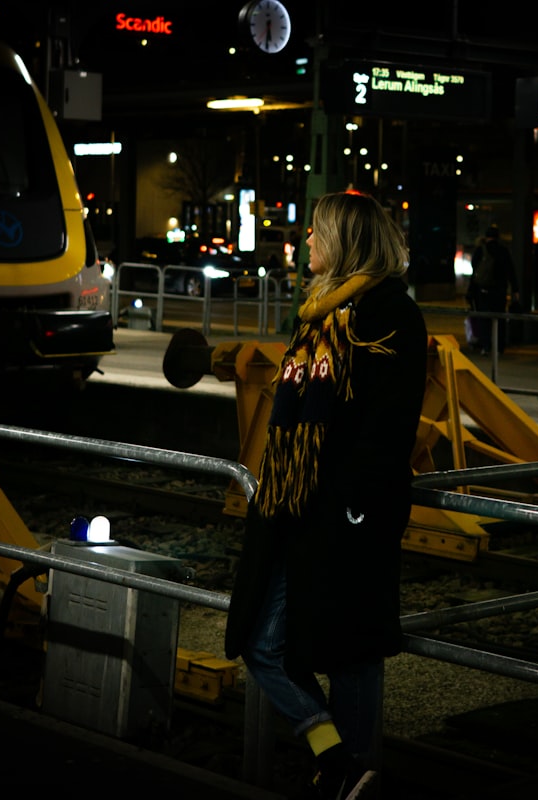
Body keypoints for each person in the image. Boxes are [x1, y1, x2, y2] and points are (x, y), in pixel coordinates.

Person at [223, 191, 428, 799]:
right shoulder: (318, 312)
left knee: (350, 648)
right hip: (297, 507)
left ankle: (356, 773)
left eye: (316, 232)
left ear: (345, 240)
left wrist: (351, 504)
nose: (306, 241)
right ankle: (335, 752)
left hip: (346, 514)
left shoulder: (389, 312)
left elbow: (388, 425)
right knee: (262, 644)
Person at [467, 223, 519, 354]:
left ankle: (486, 346)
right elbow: (511, 271)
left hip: (483, 291)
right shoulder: (503, 251)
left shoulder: (480, 250)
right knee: (499, 319)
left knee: (484, 319)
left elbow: (475, 273)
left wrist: (470, 292)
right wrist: (515, 289)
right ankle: (499, 346)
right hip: (499, 292)